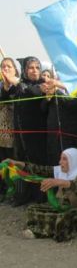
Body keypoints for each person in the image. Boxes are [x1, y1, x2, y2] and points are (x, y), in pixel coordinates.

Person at [5, 148, 77, 242]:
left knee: (64, 217)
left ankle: (39, 231)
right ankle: (45, 228)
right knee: (32, 209)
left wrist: (58, 182)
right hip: (63, 207)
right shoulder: (61, 170)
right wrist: (17, 163)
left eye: (64, 159)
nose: (60, 162)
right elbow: (40, 170)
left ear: (74, 160)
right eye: (61, 159)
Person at [0, 56, 48, 206]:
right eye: (30, 68)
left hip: (37, 135)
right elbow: (4, 96)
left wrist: (16, 81)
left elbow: (33, 92)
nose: (34, 71)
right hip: (20, 134)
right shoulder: (21, 85)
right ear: (25, 71)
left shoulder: (42, 85)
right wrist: (7, 86)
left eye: (37, 68)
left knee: (36, 163)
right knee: (21, 162)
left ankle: (39, 195)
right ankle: (23, 195)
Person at [0, 58, 17, 201]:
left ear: (15, 70)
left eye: (9, 66)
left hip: (15, 133)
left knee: (13, 162)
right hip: (1, 133)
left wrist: (8, 84)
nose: (6, 69)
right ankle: (3, 190)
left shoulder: (19, 86)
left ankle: (15, 191)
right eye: (3, 66)